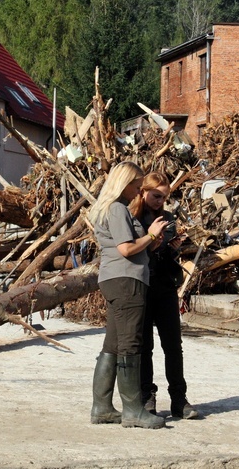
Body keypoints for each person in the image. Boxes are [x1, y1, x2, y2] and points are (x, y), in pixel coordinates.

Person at [88, 161, 168, 429]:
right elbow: (126, 248)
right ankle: (133, 410)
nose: (138, 190)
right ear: (124, 182)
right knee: (131, 344)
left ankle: (101, 407)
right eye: (136, 185)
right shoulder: (117, 208)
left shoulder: (106, 208)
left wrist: (150, 243)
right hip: (126, 281)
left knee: (112, 345)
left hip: (113, 279)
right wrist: (151, 235)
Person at [129, 172, 199, 420]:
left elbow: (163, 254)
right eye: (156, 195)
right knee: (144, 346)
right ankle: (147, 396)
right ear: (143, 191)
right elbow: (132, 252)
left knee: (173, 346)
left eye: (164, 197)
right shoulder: (131, 217)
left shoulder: (167, 218)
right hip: (142, 286)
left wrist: (172, 248)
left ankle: (179, 399)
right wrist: (152, 240)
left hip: (165, 287)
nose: (160, 201)